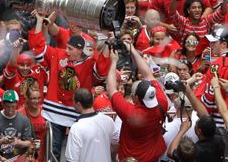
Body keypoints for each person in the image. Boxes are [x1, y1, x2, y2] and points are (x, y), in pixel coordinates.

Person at [28, 12, 111, 160]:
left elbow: (102, 71)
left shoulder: (89, 62)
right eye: (66, 47)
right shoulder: (58, 55)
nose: (66, 51)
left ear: (80, 51)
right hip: (55, 113)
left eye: (70, 49)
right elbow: (38, 48)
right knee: (52, 153)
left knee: (80, 153)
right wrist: (40, 21)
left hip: (78, 114)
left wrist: (108, 44)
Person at [107, 41, 168, 162]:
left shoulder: (130, 112)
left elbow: (111, 89)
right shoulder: (162, 102)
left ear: (135, 98)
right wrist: (133, 51)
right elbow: (149, 74)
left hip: (131, 158)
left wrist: (113, 62)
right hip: (153, 156)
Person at [65, 87, 118, 162]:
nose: (72, 103)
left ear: (78, 104)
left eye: (72, 101)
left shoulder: (76, 128)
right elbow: (116, 144)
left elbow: (71, 159)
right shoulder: (108, 120)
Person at [0, 90, 34, 159]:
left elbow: (29, 142)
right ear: (3, 104)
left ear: (17, 104)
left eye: (13, 107)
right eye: (7, 107)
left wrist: (18, 142)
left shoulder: (24, 119)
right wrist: (1, 141)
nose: (10, 110)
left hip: (19, 157)